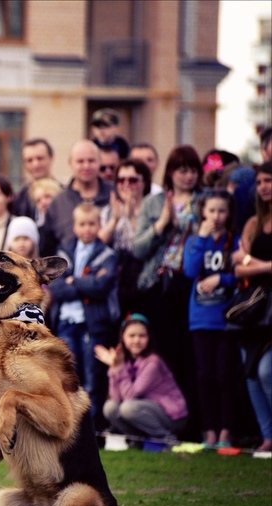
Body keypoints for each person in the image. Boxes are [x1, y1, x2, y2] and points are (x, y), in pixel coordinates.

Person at [132, 145, 202, 438]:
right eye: (181, 169)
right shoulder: (154, 202)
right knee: (164, 355)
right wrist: (162, 223)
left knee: (192, 356)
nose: (187, 176)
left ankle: (195, 426)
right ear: (171, 172)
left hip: (193, 286)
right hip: (158, 286)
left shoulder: (204, 201)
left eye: (192, 170)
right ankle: (165, 425)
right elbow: (138, 249)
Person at [48, 202, 118, 427]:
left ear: (99, 225)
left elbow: (101, 286)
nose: (87, 229)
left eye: (92, 224)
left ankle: (93, 430)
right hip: (66, 323)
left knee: (92, 377)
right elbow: (56, 288)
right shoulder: (64, 251)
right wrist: (83, 284)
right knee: (68, 377)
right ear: (75, 226)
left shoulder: (107, 254)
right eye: (82, 224)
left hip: (93, 325)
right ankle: (71, 430)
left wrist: (74, 280)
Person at [182, 190, 239, 448]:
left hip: (226, 319)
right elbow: (190, 270)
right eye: (212, 210)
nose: (216, 216)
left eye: (222, 211)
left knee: (225, 375)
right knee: (204, 376)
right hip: (201, 319)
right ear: (203, 211)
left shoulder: (234, 241)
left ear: (229, 214)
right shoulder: (196, 240)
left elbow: (240, 274)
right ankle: (209, 432)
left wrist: (221, 278)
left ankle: (227, 432)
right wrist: (203, 237)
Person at [231, 161, 272, 453]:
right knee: (251, 373)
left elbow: (244, 261)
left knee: (268, 370)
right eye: (259, 182)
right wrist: (265, 266)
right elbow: (237, 265)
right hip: (254, 306)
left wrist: (251, 263)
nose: (264, 187)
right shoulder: (252, 223)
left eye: (269, 181)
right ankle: (266, 435)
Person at [96, 313, 187, 440]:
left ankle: (167, 439)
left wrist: (118, 368)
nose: (137, 340)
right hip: (142, 409)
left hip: (171, 416)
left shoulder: (153, 362)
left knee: (128, 408)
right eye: (132, 336)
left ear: (149, 337)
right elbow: (116, 397)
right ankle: (137, 439)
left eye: (142, 335)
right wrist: (114, 367)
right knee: (110, 407)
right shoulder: (125, 361)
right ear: (123, 337)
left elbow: (130, 396)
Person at [41, 139, 113, 257]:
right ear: (70, 163)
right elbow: (48, 248)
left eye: (91, 161)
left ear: (100, 162)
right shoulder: (58, 203)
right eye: (80, 161)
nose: (86, 166)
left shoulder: (115, 195)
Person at [99, 159, 151, 318]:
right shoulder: (109, 209)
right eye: (121, 180)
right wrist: (115, 219)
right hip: (117, 277)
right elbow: (99, 242)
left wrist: (132, 215)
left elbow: (143, 244)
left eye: (133, 180)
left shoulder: (151, 208)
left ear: (144, 182)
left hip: (145, 275)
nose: (126, 184)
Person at [12, 138, 57, 218]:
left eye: (40, 158)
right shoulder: (19, 199)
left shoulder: (64, 193)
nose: (35, 164)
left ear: (51, 158)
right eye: (29, 160)